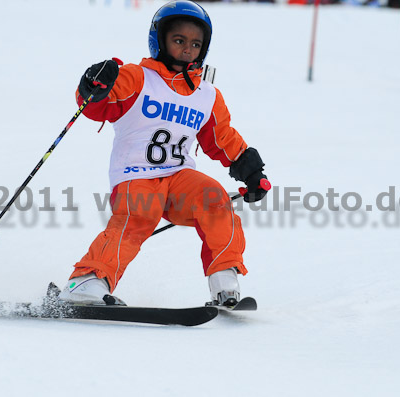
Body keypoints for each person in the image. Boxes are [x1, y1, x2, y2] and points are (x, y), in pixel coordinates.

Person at [58, 0, 269, 307]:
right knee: (138, 215)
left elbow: (221, 138)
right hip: (136, 175)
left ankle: (225, 281)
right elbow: (98, 106)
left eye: (196, 44)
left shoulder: (206, 95)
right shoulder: (137, 77)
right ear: (160, 41)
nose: (187, 50)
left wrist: (250, 170)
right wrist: (93, 86)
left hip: (179, 178)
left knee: (215, 198)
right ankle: (87, 280)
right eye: (179, 40)